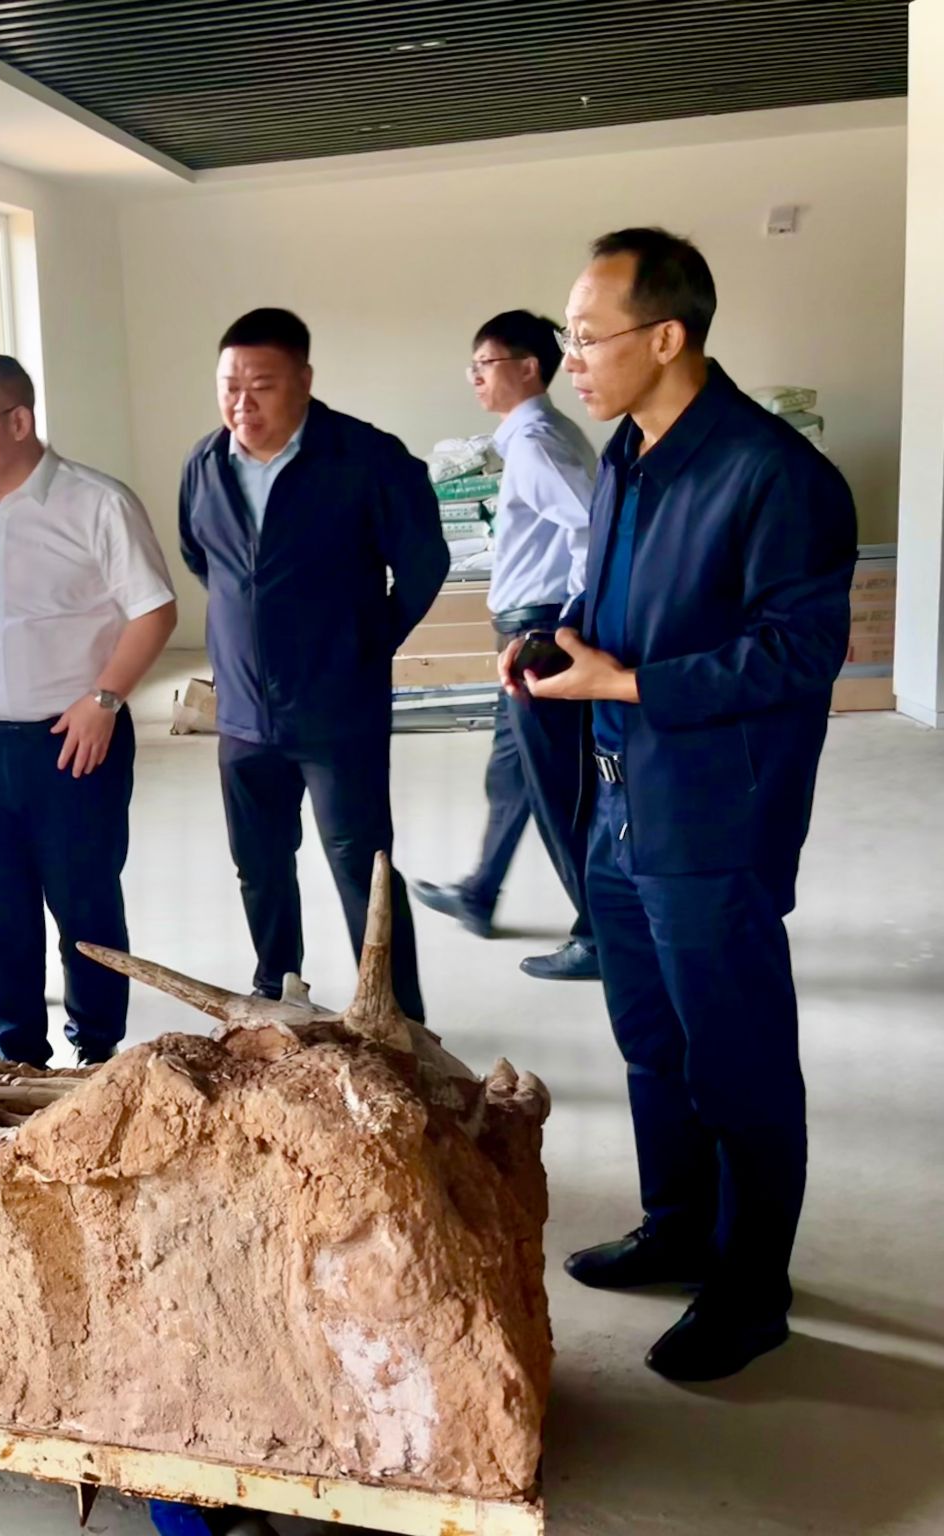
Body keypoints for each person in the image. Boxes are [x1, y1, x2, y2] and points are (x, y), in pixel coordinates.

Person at [517, 228, 854, 1381]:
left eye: (585, 337)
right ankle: (677, 1225)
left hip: (712, 815)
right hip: (619, 802)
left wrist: (625, 683)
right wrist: (557, 643)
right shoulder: (626, 453)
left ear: (664, 337)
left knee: (734, 1056)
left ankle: (749, 1290)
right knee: (650, 1041)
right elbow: (611, 601)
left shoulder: (772, 475)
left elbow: (799, 654)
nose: (568, 361)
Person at [0, 355, 177, 1067]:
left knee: (85, 910)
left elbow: (155, 611)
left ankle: (98, 1056)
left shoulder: (96, 503)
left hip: (74, 742)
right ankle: (16, 1060)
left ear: (19, 422)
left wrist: (105, 699)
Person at [178, 309, 447, 1022]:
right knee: (260, 868)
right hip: (242, 715)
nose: (242, 404)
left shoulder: (366, 459)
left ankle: (397, 1019)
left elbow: (423, 564)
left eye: (261, 385)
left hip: (337, 711)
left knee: (363, 868)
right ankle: (277, 993)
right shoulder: (205, 465)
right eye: (229, 386)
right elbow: (204, 559)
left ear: (304, 379)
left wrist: (364, 643)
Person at [412, 311, 601, 981]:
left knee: (561, 791)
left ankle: (602, 934)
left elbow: (592, 527)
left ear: (528, 367)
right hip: (526, 628)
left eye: (485, 364)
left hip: (541, 631)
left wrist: (566, 623)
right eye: (472, 366)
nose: (475, 377)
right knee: (512, 774)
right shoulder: (531, 437)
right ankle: (480, 889)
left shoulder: (538, 443)